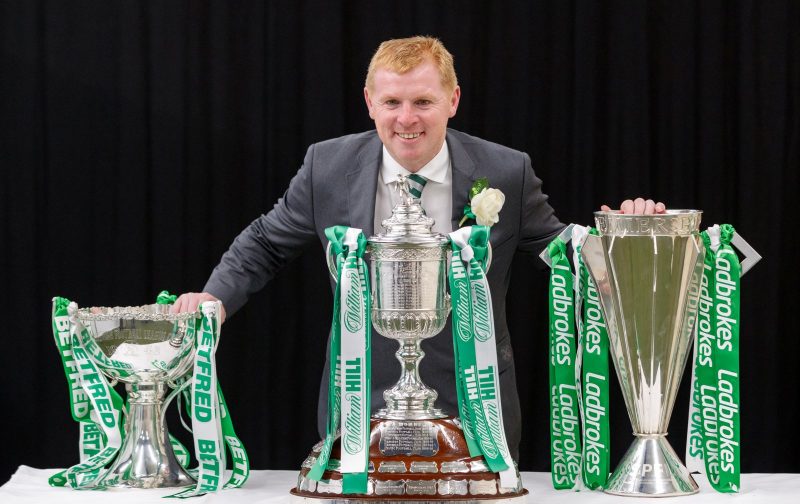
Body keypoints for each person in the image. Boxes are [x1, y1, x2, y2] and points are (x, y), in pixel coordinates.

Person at [172, 36, 664, 460]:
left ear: (453, 99)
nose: (407, 119)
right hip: (360, 406)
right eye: (392, 103)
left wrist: (632, 237)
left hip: (478, 410)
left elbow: (559, 248)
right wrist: (213, 299)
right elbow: (264, 243)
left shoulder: (507, 172)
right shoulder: (326, 166)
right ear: (369, 102)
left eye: (423, 102)